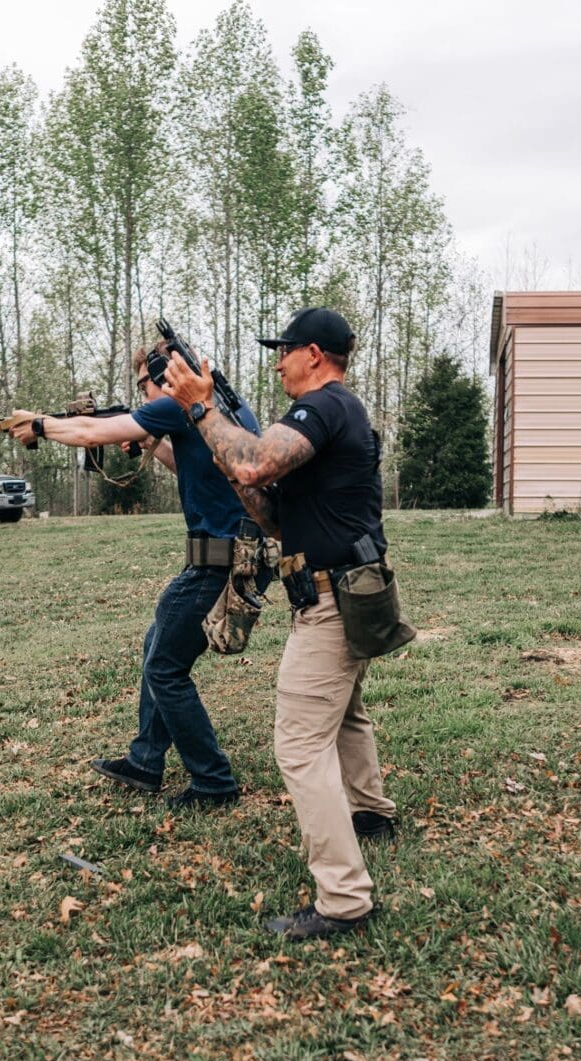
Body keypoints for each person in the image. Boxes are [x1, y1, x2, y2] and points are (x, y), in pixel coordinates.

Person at [161, 306, 396, 939]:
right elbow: (269, 512)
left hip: (330, 598)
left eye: (285, 350)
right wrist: (224, 454)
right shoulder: (334, 415)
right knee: (344, 711)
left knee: (298, 745)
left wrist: (202, 410)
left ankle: (344, 899)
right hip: (346, 589)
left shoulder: (322, 408)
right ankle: (371, 810)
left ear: (315, 354)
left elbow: (253, 463)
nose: (278, 361)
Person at [10, 344, 263, 809]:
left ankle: (213, 783)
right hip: (232, 553)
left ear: (166, 379)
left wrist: (41, 425)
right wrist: (151, 440)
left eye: (144, 386)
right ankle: (145, 760)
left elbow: (90, 429)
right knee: (158, 647)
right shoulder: (220, 406)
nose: (144, 397)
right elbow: (189, 461)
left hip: (217, 559)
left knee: (165, 668)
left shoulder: (178, 403)